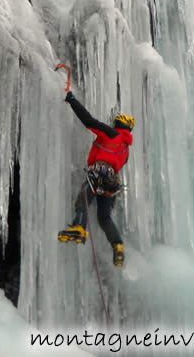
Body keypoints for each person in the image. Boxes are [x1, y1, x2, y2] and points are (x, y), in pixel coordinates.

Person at [58, 90, 134, 267]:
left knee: (83, 198)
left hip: (98, 173)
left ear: (118, 124)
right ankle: (118, 246)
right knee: (104, 217)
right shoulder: (126, 149)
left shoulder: (112, 134)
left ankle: (79, 227)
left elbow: (89, 121)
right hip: (112, 182)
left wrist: (72, 101)